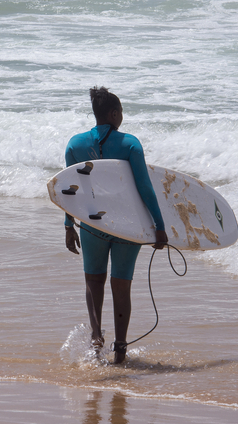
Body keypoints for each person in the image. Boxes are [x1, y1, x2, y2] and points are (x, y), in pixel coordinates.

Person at [63, 87, 168, 364]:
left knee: (93, 281)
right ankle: (120, 351)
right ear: (113, 113)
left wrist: (68, 226)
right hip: (126, 226)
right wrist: (159, 225)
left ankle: (96, 342)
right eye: (121, 112)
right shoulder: (130, 144)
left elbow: (69, 190)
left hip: (91, 223)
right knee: (121, 286)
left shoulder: (74, 145)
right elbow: (145, 188)